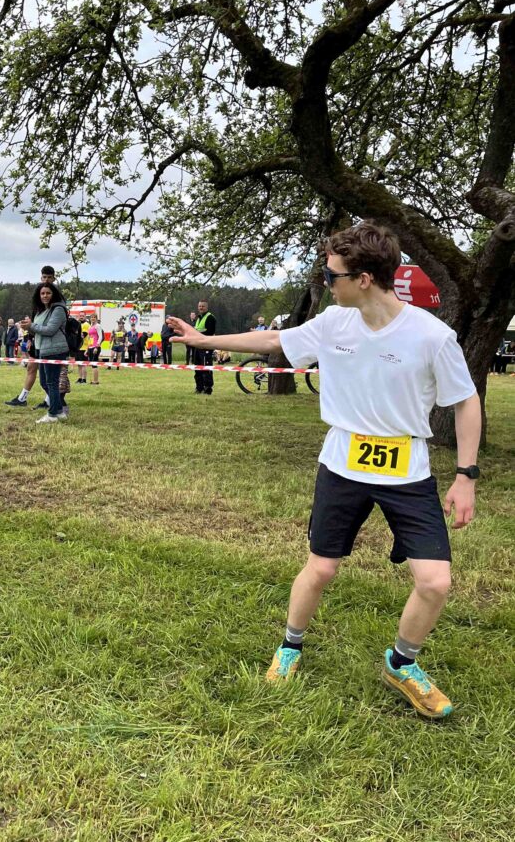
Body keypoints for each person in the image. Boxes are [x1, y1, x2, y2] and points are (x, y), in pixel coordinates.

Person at [168, 223, 480, 718]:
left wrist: (466, 475)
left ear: (364, 279)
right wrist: (205, 341)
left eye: (330, 274)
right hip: (341, 465)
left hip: (407, 472)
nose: (324, 281)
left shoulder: (431, 335)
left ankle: (401, 663)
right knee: (322, 567)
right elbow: (273, 339)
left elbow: (465, 402)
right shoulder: (334, 322)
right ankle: (290, 646)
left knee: (435, 582)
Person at [5, 265, 57, 406]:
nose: (46, 280)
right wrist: (29, 338)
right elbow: (35, 320)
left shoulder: (56, 299)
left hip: (51, 342)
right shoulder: (39, 296)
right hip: (36, 339)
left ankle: (50, 400)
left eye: (49, 277)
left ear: (54, 278)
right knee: (31, 367)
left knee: (48, 374)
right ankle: (22, 398)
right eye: (44, 277)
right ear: (41, 278)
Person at [22, 282, 68, 423]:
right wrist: (28, 327)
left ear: (53, 294)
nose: (45, 296)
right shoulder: (42, 310)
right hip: (43, 349)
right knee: (44, 382)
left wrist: (32, 326)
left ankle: (52, 414)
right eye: (42, 293)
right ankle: (59, 411)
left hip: (55, 350)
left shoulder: (58, 309)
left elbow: (50, 330)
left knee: (51, 383)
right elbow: (38, 330)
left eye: (48, 293)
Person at [192, 301, 217, 394]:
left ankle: (208, 388)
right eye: (199, 306)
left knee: (206, 368)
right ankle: (199, 388)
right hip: (198, 346)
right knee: (197, 368)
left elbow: (210, 332)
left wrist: (197, 334)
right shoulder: (198, 318)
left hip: (206, 347)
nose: (201, 308)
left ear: (206, 307)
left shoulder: (210, 317)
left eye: (202, 306)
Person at [86, 318, 102, 385]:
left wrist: (96, 347)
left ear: (96, 319)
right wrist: (87, 349)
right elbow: (89, 338)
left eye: (94, 318)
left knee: (94, 365)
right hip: (90, 347)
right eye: (91, 317)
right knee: (92, 365)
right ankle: (94, 380)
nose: (92, 319)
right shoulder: (90, 326)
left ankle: (96, 381)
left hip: (95, 347)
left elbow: (100, 337)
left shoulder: (98, 326)